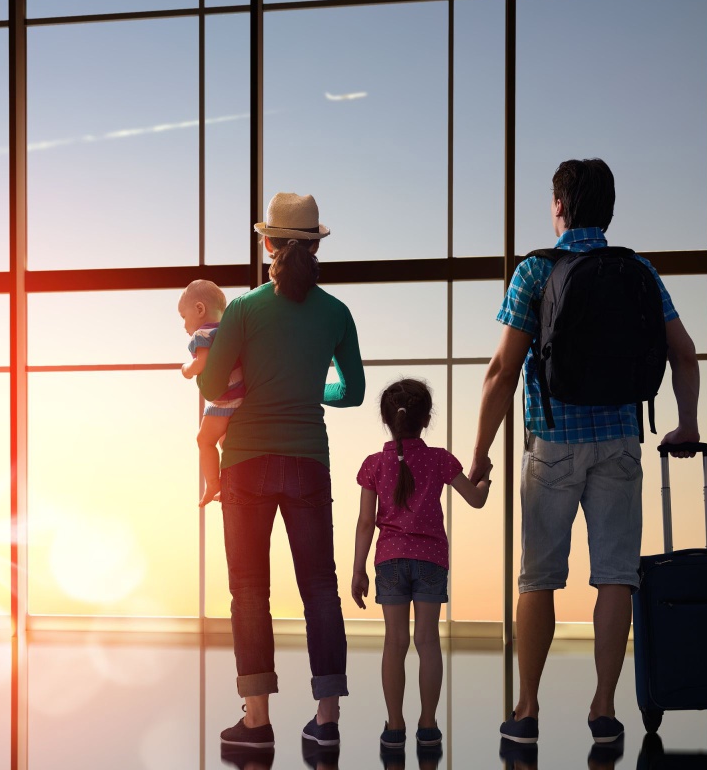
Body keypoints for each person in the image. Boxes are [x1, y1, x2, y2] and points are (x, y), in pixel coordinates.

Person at [469, 158, 700, 746]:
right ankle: (603, 709)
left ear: (559, 206)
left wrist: (479, 455)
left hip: (551, 444)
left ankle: (526, 709)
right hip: (621, 443)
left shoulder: (534, 273)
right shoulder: (640, 270)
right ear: (609, 209)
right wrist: (686, 423)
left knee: (538, 580)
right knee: (616, 578)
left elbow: (501, 370)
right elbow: (684, 351)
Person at [198, 192, 365, 750]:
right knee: (320, 587)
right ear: (315, 246)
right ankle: (326, 720)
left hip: (244, 464)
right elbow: (356, 392)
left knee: (249, 590)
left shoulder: (243, 310)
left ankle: (255, 721)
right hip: (308, 463)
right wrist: (310, 387)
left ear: (267, 244)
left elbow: (209, 385)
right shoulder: (337, 314)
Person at [351, 379, 490, 752]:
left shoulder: (373, 465)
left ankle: (394, 727)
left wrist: (358, 569)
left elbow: (367, 523)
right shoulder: (440, 458)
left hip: (390, 561)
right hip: (431, 561)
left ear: (386, 420)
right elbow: (476, 500)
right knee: (427, 641)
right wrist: (485, 476)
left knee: (394, 642)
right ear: (426, 419)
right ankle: (428, 727)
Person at [179, 279, 246, 507]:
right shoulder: (231, 331)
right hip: (242, 398)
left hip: (224, 403)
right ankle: (232, 484)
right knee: (226, 443)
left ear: (199, 309)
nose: (184, 325)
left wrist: (186, 370)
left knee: (204, 440)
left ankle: (213, 484)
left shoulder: (202, 335)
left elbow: (201, 363)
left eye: (183, 317)